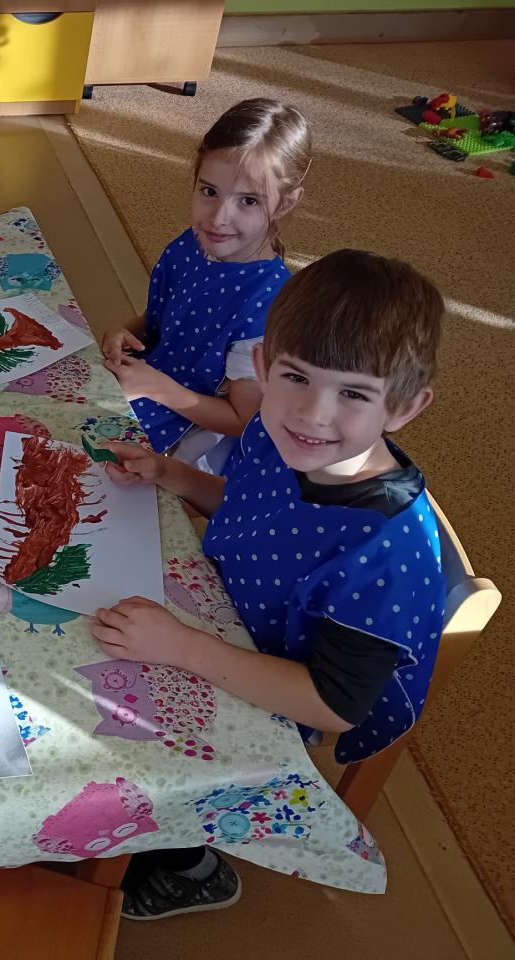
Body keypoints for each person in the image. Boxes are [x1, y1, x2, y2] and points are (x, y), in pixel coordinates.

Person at [93, 249, 446, 919]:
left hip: (280, 687)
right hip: (226, 617)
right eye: (295, 377)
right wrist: (170, 474)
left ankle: (192, 867)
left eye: (353, 394)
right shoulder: (275, 431)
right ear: (262, 367)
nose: (312, 413)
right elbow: (251, 508)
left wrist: (181, 647)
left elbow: (333, 705)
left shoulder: (383, 550)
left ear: (405, 407)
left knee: (103, 729)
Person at [99, 97, 311, 472]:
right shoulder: (196, 244)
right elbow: (166, 318)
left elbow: (243, 420)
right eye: (209, 191)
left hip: (188, 442)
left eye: (248, 201)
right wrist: (125, 329)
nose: (218, 218)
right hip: (146, 384)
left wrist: (156, 387)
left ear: (284, 203)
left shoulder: (265, 307)